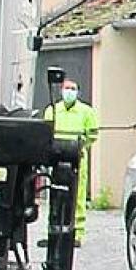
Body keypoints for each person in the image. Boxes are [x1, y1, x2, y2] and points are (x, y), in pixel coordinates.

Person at [44, 78, 99, 246]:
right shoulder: (53, 110)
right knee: (55, 195)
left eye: (73, 89)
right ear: (61, 90)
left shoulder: (86, 112)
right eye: (67, 88)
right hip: (56, 158)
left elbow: (93, 134)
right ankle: (53, 231)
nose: (69, 92)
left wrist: (81, 145)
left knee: (78, 195)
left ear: (78, 92)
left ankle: (77, 233)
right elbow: (45, 133)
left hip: (77, 158)